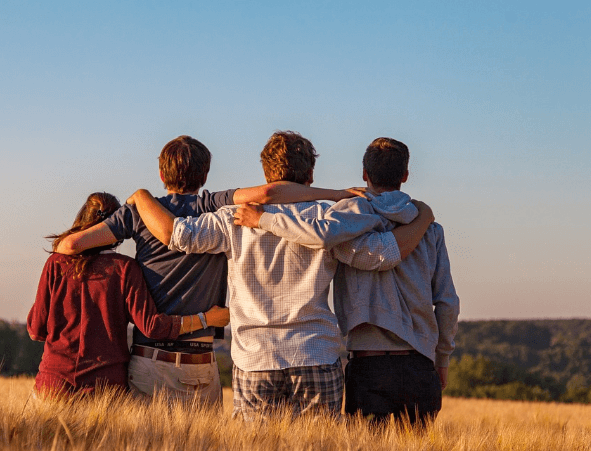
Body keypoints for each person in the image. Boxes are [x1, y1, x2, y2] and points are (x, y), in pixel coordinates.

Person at [127, 131, 434, 419]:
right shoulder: (330, 218)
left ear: (266, 174)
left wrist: (141, 197)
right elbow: (380, 256)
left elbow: (176, 235)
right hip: (316, 354)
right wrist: (422, 220)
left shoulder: (232, 218)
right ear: (310, 176)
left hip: (255, 359)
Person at [54, 135, 367, 405]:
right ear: (204, 175)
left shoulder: (138, 213)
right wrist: (336, 194)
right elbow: (270, 194)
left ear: (161, 173)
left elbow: (69, 247)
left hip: (151, 358)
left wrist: (138, 200)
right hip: (203, 362)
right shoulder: (213, 205)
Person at [235, 137, 459, 427]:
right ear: (405, 175)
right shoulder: (430, 229)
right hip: (420, 365)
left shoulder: (344, 221)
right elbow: (447, 302)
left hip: (368, 365)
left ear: (365, 174)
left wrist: (264, 219)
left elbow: (319, 235)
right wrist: (442, 359)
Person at [27, 192, 229, 400]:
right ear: (118, 229)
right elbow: (152, 326)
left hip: (53, 384)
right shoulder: (124, 269)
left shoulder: (56, 264)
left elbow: (36, 330)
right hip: (105, 389)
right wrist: (206, 319)